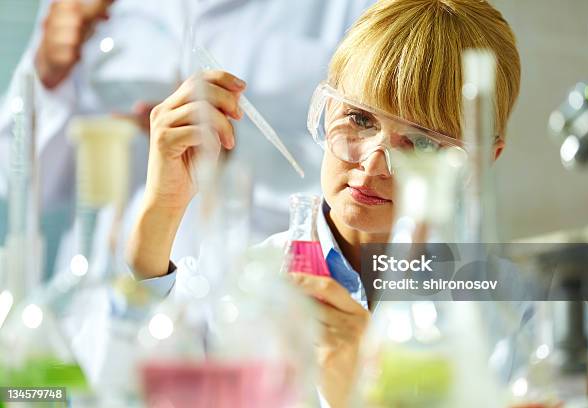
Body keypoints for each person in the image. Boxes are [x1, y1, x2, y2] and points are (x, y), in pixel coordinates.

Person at [127, 0, 521, 406]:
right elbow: (133, 380)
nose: (371, 166)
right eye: (360, 119)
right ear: (327, 107)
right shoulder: (247, 286)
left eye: (420, 142)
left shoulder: (515, 312)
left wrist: (367, 393)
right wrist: (163, 206)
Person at [0, 0, 375, 276]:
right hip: (106, 294)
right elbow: (16, 184)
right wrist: (47, 77)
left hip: (255, 287)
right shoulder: (80, 12)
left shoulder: (357, 9)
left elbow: (372, 181)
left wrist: (230, 153)